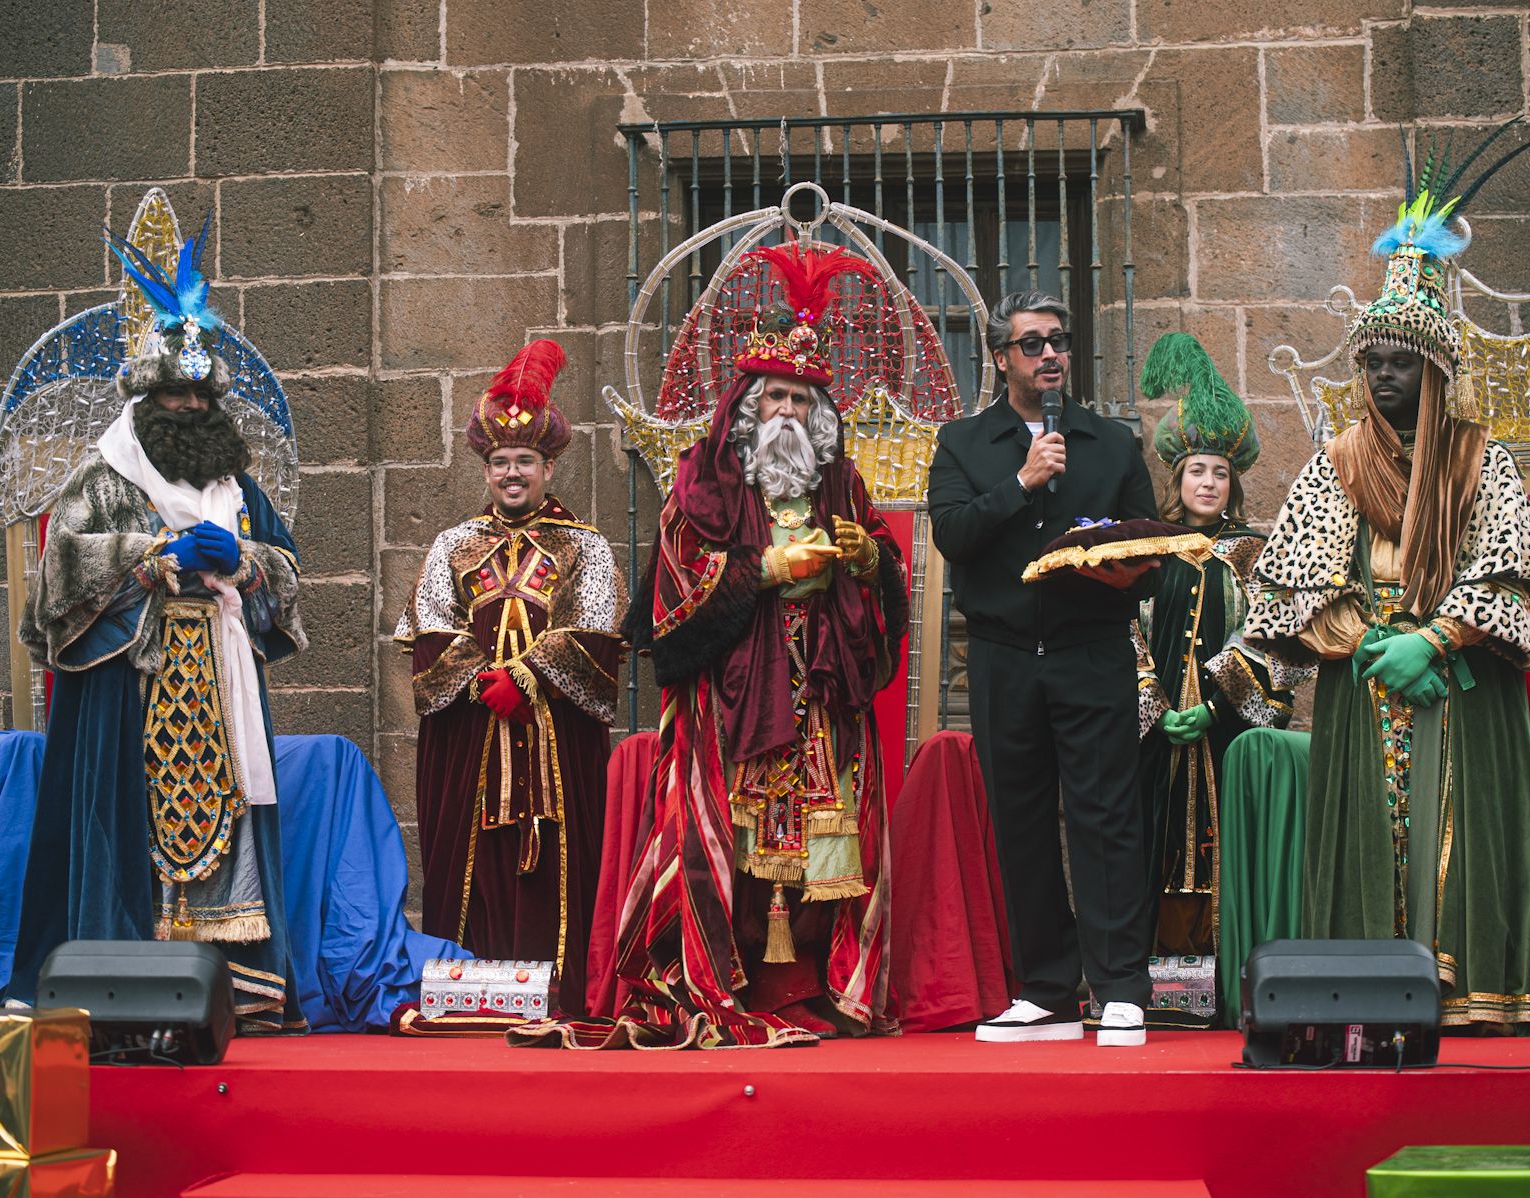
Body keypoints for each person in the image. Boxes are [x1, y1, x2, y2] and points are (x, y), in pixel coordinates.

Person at [1243, 130, 1530, 1029]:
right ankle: (1366, 988)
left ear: (1438, 372)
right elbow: (1293, 582)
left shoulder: (1483, 459)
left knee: (1461, 834)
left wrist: (1436, 639)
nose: (1381, 378)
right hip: (1366, 675)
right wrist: (1371, 641)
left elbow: (1514, 575)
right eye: (1371, 363)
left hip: (1463, 680)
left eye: (1400, 363)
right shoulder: (1336, 461)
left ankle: (1478, 989)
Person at [518, 242, 907, 1049]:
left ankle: (815, 986)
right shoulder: (701, 483)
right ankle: (725, 980)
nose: (791, 416)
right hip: (731, 704)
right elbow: (669, 601)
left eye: (804, 402)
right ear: (746, 407)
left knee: (826, 843)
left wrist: (871, 562)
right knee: (732, 843)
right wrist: (761, 569)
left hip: (825, 702)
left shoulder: (843, 484)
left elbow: (885, 573)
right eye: (776, 400)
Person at [11, 228, 307, 1031]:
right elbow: (56, 576)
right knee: (128, 827)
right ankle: (123, 987)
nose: (191, 407)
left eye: (203, 397)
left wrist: (243, 561)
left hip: (217, 673)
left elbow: (287, 575)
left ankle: (235, 991)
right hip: (127, 689)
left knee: (225, 820)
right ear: (145, 400)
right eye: (175, 395)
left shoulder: (238, 487)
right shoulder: (102, 477)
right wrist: (146, 555)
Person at [927, 290, 1160, 1047]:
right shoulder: (963, 443)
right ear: (1001, 358)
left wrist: (1132, 573)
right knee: (1021, 825)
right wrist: (1021, 483)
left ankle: (1121, 986)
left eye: (1059, 341)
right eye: (1032, 344)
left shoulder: (1112, 442)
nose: (1051, 354)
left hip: (1091, 651)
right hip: (1002, 658)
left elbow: (1149, 548)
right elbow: (954, 537)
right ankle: (1047, 990)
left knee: (1106, 818)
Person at [396, 339, 624, 1018]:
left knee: (557, 861)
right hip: (470, 738)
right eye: (501, 462)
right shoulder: (452, 544)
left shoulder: (586, 545)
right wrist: (480, 679)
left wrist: (528, 677)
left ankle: (559, 993)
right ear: (486, 468)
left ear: (549, 465)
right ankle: (468, 994)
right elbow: (429, 629)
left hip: (556, 739)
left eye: (526, 460)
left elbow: (598, 629)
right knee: (470, 859)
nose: (513, 473)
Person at [1129, 333, 1303, 1024]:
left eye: (1220, 473)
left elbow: (1275, 637)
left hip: (1228, 739)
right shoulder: (1145, 550)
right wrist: (1154, 699)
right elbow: (1124, 632)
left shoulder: (1255, 555)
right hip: (1153, 742)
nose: (1208, 483)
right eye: (1198, 470)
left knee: (1221, 854)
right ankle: (1167, 995)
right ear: (1176, 476)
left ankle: (1226, 990)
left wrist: (1217, 699)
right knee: (1160, 853)